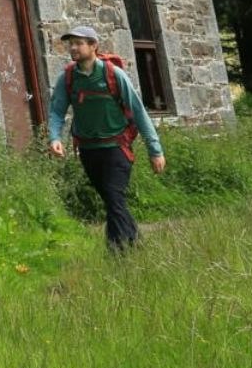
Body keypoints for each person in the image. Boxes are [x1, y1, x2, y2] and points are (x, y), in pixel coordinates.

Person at [46, 25, 165, 251]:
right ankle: (134, 245)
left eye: (79, 43)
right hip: (88, 149)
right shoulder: (68, 77)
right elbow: (57, 110)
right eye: (71, 43)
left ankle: (117, 252)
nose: (73, 48)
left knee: (113, 196)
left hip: (116, 147)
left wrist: (155, 150)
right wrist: (54, 138)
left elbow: (138, 111)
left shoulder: (113, 74)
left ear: (93, 46)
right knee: (112, 201)